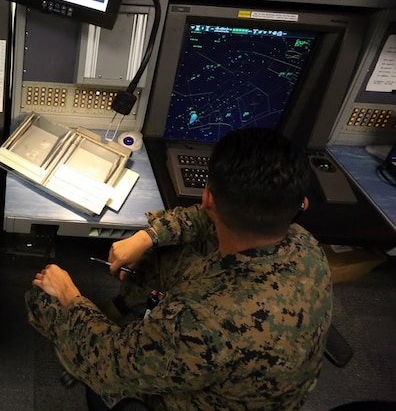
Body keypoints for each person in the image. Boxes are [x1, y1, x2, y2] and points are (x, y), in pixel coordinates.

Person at [26, 127, 332, 411]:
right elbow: (203, 220)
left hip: (192, 396)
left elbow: (111, 360)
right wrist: (148, 237)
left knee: (45, 298)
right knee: (165, 252)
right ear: (300, 203)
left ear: (207, 195)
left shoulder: (199, 322)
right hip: (257, 382)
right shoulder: (305, 245)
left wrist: (68, 295)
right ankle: (122, 305)